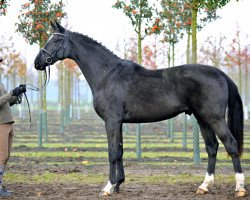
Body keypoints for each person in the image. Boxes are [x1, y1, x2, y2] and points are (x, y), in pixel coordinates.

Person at [0, 57, 26, 197]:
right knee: (2, 156)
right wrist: (10, 93)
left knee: (5, 156)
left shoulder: (0, 83)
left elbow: (5, 103)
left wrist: (17, 95)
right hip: (1, 124)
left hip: (8, 122)